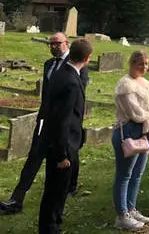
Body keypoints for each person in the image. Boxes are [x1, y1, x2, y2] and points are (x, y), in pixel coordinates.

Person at [1, 33, 89, 215]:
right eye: (51, 44)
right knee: (34, 155)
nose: (54, 47)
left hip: (65, 123)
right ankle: (17, 199)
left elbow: (75, 97)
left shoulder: (76, 66)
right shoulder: (49, 64)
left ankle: (70, 187)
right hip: (45, 120)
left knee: (69, 156)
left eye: (58, 43)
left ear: (67, 44)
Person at [38, 38, 93, 234]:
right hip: (62, 146)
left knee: (55, 190)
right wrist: (62, 154)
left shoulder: (62, 73)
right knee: (56, 192)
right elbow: (63, 120)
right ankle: (50, 228)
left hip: (58, 142)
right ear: (88, 58)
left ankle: (51, 225)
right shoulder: (70, 81)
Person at [112, 51, 149, 230]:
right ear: (132, 63)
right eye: (140, 64)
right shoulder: (125, 85)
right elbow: (135, 112)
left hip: (146, 132)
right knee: (124, 174)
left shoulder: (146, 83)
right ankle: (122, 214)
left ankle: (131, 207)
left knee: (137, 174)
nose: (144, 67)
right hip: (130, 130)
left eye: (147, 64)